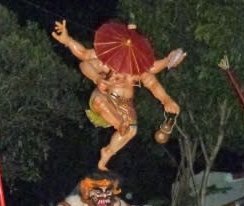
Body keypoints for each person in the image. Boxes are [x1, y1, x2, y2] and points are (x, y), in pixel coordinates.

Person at [52, 20, 185, 171]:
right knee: (99, 101)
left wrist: (167, 100)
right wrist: (68, 41)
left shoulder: (139, 70)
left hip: (125, 104)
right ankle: (118, 123)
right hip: (106, 97)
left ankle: (107, 152)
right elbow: (84, 59)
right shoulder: (106, 62)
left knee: (131, 131)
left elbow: (153, 84)